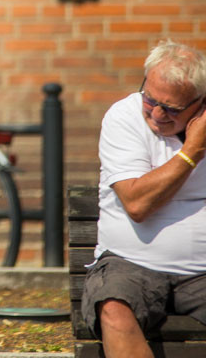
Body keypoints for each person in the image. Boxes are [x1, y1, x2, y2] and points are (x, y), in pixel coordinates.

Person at [81, 40, 206, 358]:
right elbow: (137, 204)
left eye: (172, 108)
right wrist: (192, 150)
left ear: (200, 103)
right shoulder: (124, 117)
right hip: (130, 264)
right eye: (150, 99)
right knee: (114, 308)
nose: (157, 113)